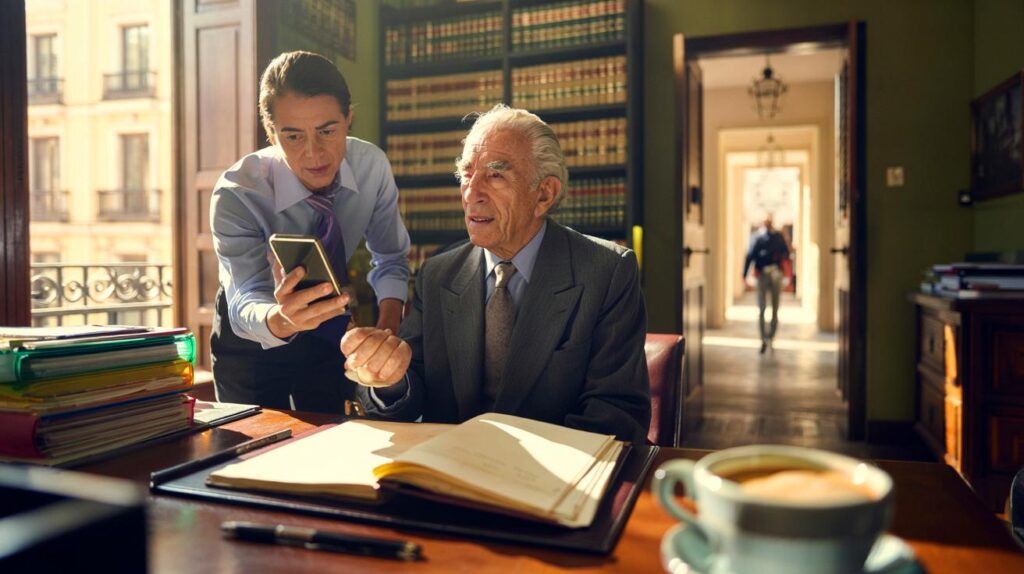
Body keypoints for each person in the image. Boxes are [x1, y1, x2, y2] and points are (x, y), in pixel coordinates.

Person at [340, 104, 651, 442]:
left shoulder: (607, 272)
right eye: (467, 174)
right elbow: (414, 389)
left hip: (551, 483)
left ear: (544, 194)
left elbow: (616, 413)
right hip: (450, 476)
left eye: (496, 174)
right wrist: (389, 379)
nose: (472, 193)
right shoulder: (437, 274)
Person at [209, 51, 410, 413]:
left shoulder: (371, 168)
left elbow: (391, 257)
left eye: (327, 131)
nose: (313, 153)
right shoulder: (237, 192)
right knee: (254, 454)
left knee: (329, 438)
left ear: (349, 119)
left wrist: (386, 330)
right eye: (293, 136)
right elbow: (244, 299)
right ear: (271, 133)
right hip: (252, 334)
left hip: (328, 321)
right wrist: (282, 319)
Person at [742, 215, 790, 354]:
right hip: (762, 274)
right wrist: (744, 274)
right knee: (762, 308)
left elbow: (786, 254)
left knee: (775, 307)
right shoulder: (757, 238)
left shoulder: (778, 237)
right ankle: (763, 338)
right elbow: (750, 256)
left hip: (775, 274)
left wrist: (786, 274)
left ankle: (771, 336)